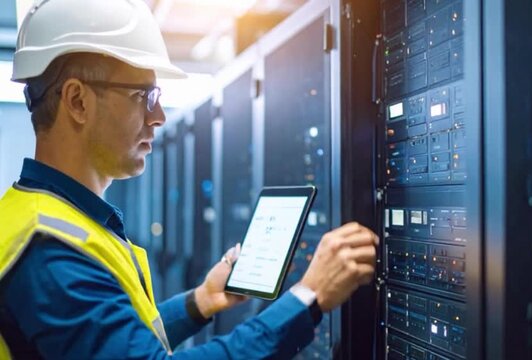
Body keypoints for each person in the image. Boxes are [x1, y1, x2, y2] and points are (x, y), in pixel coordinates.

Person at [0, 0, 378, 359]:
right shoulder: (48, 249)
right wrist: (309, 297)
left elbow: (113, 343)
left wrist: (199, 302)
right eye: (143, 96)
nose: (159, 115)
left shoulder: (45, 219)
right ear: (77, 101)